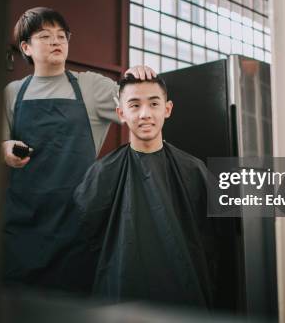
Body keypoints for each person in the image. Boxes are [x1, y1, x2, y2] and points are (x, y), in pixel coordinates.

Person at [1, 7, 155, 291]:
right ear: (26, 47)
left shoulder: (90, 86)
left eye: (62, 35)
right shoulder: (13, 92)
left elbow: (139, 107)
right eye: (45, 36)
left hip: (79, 224)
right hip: (24, 222)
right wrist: (6, 148)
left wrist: (135, 79)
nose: (57, 41)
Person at [73, 74, 217, 309]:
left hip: (184, 299)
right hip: (120, 298)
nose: (145, 114)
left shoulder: (194, 170)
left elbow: (214, 239)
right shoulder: (101, 174)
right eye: (134, 105)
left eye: (153, 104)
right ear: (121, 113)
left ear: (167, 109)